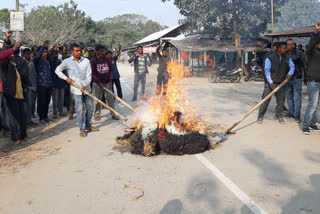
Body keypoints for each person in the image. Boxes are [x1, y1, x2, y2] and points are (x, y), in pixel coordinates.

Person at [55, 43, 98, 137]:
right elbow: (57, 70)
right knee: (80, 110)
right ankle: (82, 129)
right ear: (72, 52)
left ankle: (88, 125)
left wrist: (85, 85)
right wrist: (66, 78)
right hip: (76, 90)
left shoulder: (86, 61)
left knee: (90, 109)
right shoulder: (67, 61)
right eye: (77, 51)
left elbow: (89, 75)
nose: (79, 52)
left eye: (80, 50)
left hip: (87, 89)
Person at [257, 42, 295, 124]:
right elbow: (267, 71)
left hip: (281, 83)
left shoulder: (288, 58)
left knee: (281, 101)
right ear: (279, 49)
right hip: (270, 83)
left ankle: (279, 115)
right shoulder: (270, 58)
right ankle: (260, 116)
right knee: (265, 100)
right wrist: (270, 82)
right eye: (284, 48)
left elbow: (292, 66)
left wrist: (290, 74)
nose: (286, 49)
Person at [1, 32, 29, 143]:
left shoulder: (14, 65)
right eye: (11, 54)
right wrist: (8, 39)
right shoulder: (4, 66)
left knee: (21, 115)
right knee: (14, 118)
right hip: (10, 94)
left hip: (20, 94)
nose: (13, 55)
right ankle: (16, 137)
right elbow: (3, 52)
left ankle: (22, 135)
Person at [91, 45, 119, 121]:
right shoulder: (93, 61)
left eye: (104, 51)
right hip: (97, 84)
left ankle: (113, 114)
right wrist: (99, 83)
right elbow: (93, 74)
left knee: (110, 99)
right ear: (96, 52)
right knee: (97, 100)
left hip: (107, 82)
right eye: (101, 51)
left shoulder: (107, 60)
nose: (103, 52)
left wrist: (110, 81)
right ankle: (96, 114)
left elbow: (110, 71)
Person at [302, 23, 320, 135]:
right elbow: (311, 42)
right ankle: (305, 126)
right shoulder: (311, 52)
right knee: (312, 105)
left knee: (317, 105)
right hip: (313, 82)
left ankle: (313, 123)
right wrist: (315, 31)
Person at [284, 39, 307, 123]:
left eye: (292, 44)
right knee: (289, 97)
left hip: (297, 78)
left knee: (297, 97)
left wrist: (306, 78)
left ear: (294, 45)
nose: (291, 46)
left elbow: (305, 66)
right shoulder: (284, 54)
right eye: (289, 44)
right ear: (286, 45)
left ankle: (297, 115)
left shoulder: (300, 53)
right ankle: (291, 112)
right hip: (287, 79)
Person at [49, 45, 65, 119]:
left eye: (56, 53)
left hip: (61, 83)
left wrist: (65, 82)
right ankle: (55, 113)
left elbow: (63, 72)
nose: (55, 55)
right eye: (53, 54)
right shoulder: (50, 62)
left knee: (61, 99)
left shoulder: (60, 62)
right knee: (55, 100)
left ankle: (61, 112)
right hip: (54, 84)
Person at [23, 48, 38, 126]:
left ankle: (30, 119)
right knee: (28, 105)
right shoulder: (24, 62)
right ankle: (27, 121)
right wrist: (31, 61)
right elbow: (27, 71)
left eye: (30, 54)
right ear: (24, 54)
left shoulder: (30, 62)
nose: (29, 56)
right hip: (28, 87)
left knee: (32, 104)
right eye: (27, 54)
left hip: (33, 86)